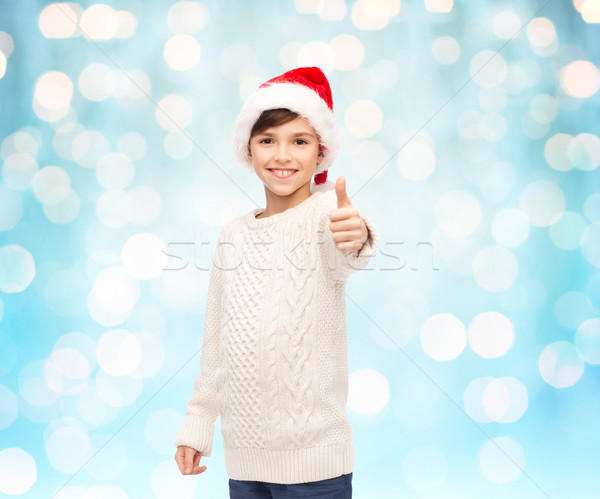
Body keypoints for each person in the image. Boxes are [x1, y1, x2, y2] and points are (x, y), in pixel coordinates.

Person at [174, 66, 379, 498]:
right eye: (268, 140)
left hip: (316, 464)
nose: (282, 155)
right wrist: (197, 423)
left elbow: (348, 251)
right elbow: (216, 342)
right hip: (246, 461)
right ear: (248, 150)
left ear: (320, 153)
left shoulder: (326, 217)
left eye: (299, 141)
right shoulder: (233, 234)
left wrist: (355, 235)